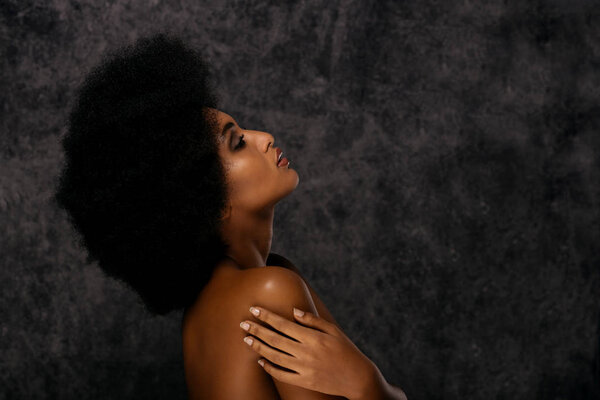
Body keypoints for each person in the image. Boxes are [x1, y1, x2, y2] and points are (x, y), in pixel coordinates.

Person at [54, 32, 407, 400]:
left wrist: (371, 384)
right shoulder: (269, 293)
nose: (265, 137)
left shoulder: (213, 306)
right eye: (238, 142)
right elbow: (372, 388)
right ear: (207, 200)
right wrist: (369, 386)